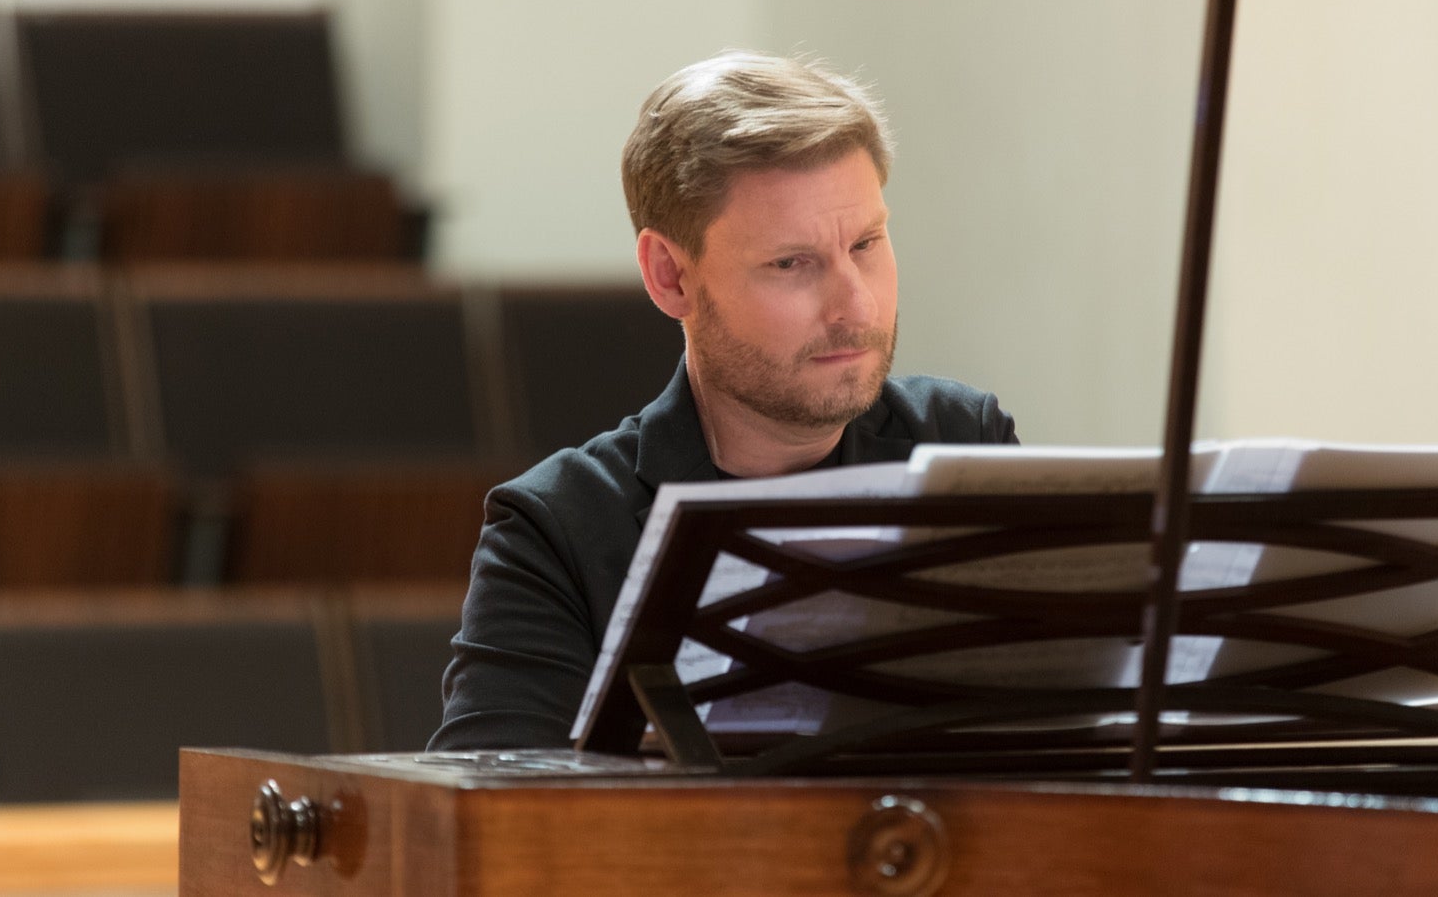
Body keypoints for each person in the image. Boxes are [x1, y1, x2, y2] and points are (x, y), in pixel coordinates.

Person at [431, 50, 1017, 749]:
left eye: (866, 243)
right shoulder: (559, 528)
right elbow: (496, 818)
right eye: (791, 263)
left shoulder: (961, 442)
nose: (854, 304)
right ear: (670, 275)